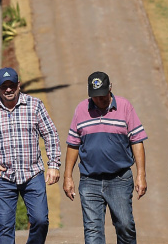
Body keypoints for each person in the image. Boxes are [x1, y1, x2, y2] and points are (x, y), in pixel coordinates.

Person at [0, 67, 61, 244]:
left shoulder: (35, 105)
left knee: (40, 220)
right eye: (4, 86)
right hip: (3, 177)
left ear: (19, 85)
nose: (8, 89)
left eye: (11, 85)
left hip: (32, 174)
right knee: (5, 227)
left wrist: (53, 164)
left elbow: (50, 134)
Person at [62, 72, 147, 244]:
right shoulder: (81, 109)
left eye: (102, 95)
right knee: (93, 233)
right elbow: (73, 144)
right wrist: (68, 176)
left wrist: (141, 174)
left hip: (119, 179)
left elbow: (137, 141)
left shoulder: (124, 107)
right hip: (89, 180)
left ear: (110, 88)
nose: (99, 100)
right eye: (95, 96)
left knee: (125, 226)